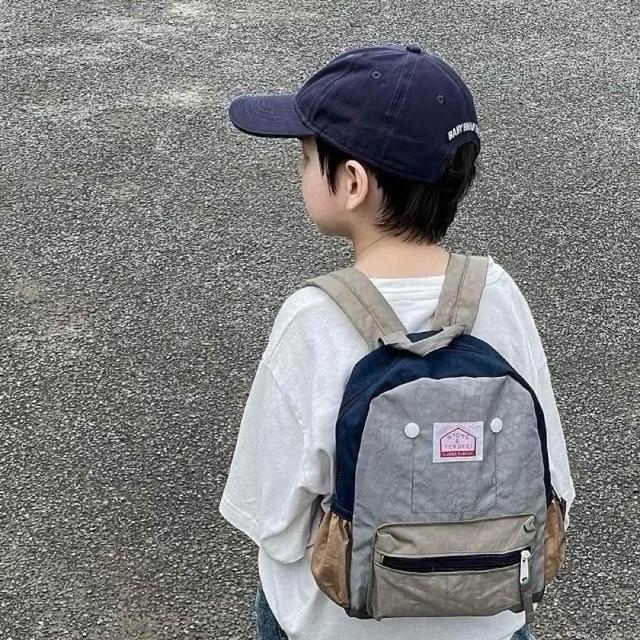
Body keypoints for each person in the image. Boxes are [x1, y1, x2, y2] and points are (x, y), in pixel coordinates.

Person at [218, 44, 575, 640]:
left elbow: (270, 516)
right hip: (488, 622)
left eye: (306, 158)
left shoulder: (312, 318)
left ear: (352, 182)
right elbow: (553, 482)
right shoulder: (499, 295)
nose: (301, 171)